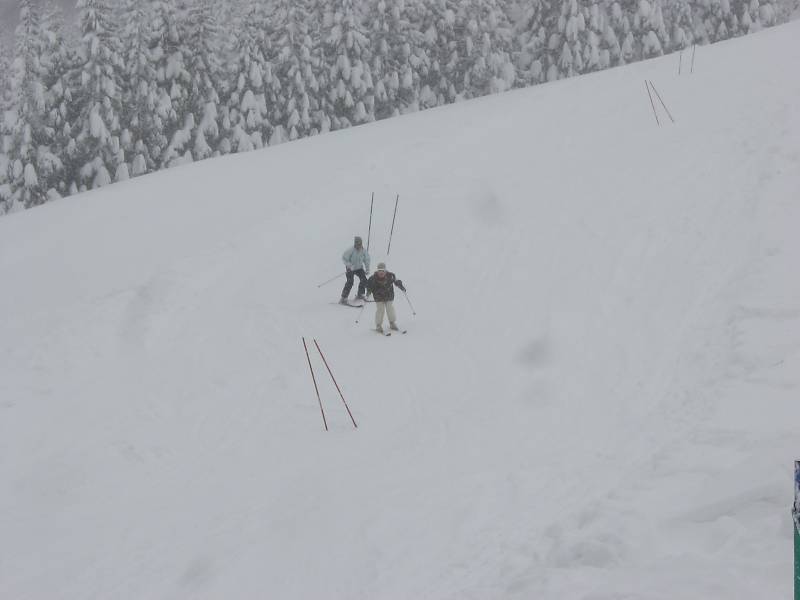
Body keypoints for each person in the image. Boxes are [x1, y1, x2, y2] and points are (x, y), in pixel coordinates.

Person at [366, 262, 406, 333]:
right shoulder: (373, 278)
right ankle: (378, 325)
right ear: (377, 271)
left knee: (390, 309)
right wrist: (368, 291)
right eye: (379, 271)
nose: (381, 272)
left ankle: (392, 323)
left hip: (389, 296)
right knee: (380, 310)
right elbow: (368, 285)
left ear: (385, 271)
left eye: (383, 271)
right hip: (378, 297)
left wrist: (400, 286)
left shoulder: (391, 276)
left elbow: (397, 281)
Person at [340, 236, 370, 304]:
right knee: (350, 281)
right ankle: (343, 298)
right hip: (350, 268)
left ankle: (360, 294)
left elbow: (367, 260)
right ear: (355, 243)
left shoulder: (364, 251)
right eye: (357, 244)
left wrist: (367, 269)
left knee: (364, 280)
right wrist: (349, 265)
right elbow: (344, 258)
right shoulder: (351, 250)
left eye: (359, 244)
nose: (358, 245)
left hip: (359, 268)